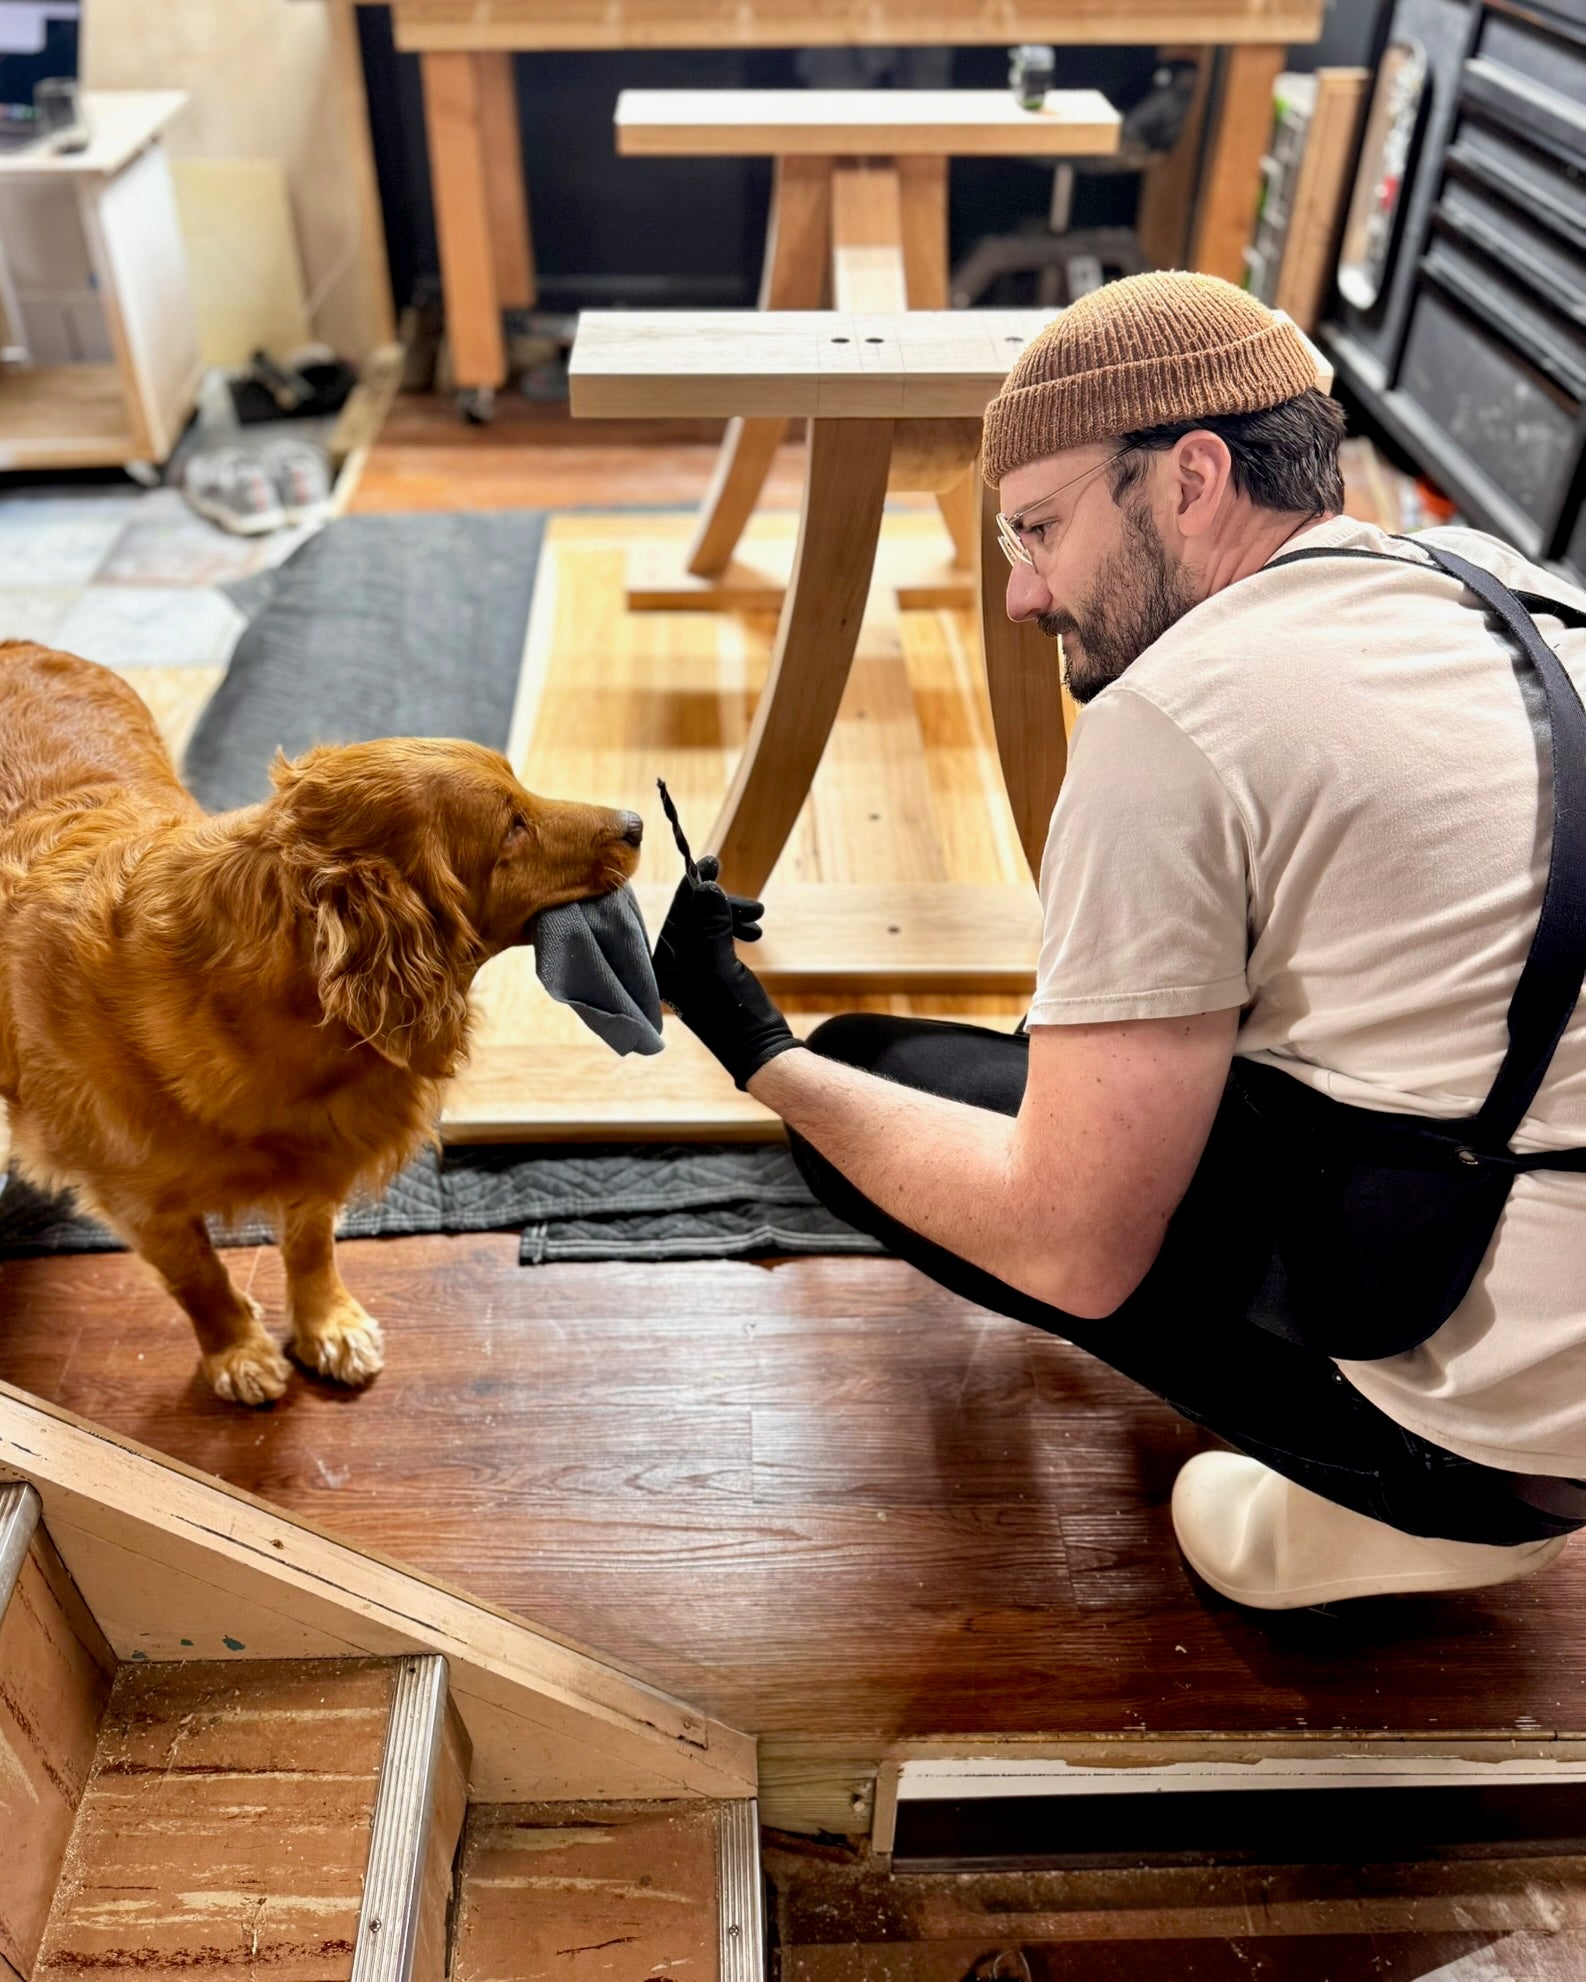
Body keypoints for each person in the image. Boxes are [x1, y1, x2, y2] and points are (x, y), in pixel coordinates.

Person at [653, 271, 1586, 1611]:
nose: (1023, 594)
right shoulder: (1520, 594)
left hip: (1496, 1437)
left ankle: (1438, 1502)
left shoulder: (1174, 720)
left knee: (866, 1078)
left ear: (1191, 476)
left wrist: (753, 1048)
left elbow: (1068, 1244)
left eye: (1037, 529)